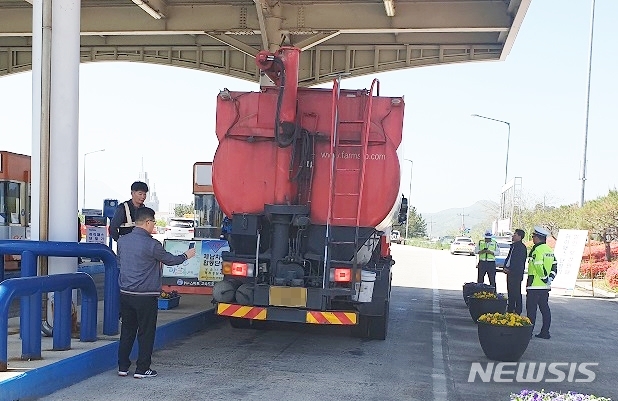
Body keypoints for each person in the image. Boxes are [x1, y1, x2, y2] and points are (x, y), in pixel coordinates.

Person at [117, 207, 197, 378]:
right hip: (145, 296)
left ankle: (122, 367)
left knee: (127, 330)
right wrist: (187, 255)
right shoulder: (152, 244)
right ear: (147, 222)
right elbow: (171, 260)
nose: (154, 225)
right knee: (146, 333)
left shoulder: (122, 241)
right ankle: (142, 368)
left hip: (125, 293)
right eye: (153, 222)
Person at [526, 226, 558, 340]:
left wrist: (544, 278)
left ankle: (528, 333)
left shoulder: (537, 249)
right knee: (545, 309)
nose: (533, 238)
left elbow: (538, 265)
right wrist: (549, 279)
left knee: (531, 310)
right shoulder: (549, 250)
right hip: (545, 287)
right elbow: (555, 266)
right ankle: (545, 332)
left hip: (534, 285)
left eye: (533, 236)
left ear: (538, 238)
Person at [502, 229, 527, 314]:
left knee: (516, 292)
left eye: (515, 235)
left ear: (520, 237)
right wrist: (505, 266)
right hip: (509, 273)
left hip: (516, 274)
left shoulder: (521, 247)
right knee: (510, 292)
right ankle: (510, 309)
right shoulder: (513, 246)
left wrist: (510, 270)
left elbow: (518, 262)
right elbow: (509, 259)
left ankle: (517, 310)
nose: (513, 236)